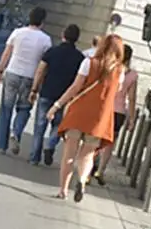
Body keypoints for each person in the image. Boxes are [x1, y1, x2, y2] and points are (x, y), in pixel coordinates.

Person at [51, 33, 126, 203]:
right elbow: (117, 92)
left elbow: (75, 87)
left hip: (79, 114)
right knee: (87, 155)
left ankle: (63, 190)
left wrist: (57, 105)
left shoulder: (88, 63)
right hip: (99, 118)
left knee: (69, 155)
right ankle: (82, 180)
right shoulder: (120, 71)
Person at [0, 6, 52, 154]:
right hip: (30, 77)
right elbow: (43, 64)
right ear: (42, 22)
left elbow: (7, 53)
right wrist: (39, 84)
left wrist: (0, 71)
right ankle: (16, 132)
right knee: (24, 109)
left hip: (13, 72)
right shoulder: (46, 40)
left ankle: (1, 146)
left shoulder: (17, 32)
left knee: (6, 109)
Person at [27, 24, 83, 166]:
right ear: (76, 39)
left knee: (40, 126)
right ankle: (50, 145)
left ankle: (34, 157)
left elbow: (40, 70)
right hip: (64, 97)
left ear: (63, 35)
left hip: (47, 93)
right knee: (58, 126)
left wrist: (34, 89)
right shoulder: (79, 58)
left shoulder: (52, 51)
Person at [94, 43, 138, 184]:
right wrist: (132, 118)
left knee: (96, 139)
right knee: (109, 144)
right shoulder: (132, 75)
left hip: (104, 108)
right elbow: (131, 98)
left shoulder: (110, 69)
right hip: (119, 112)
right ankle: (100, 171)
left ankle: (89, 168)